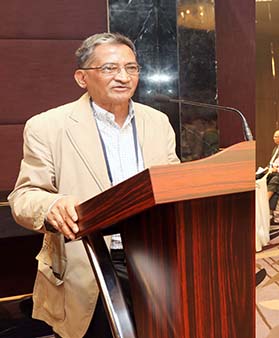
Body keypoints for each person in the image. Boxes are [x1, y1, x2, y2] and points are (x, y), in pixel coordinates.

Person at [8, 33, 180, 338]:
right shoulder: (48, 126)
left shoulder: (158, 122)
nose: (124, 77)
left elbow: (175, 184)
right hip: (89, 263)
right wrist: (50, 205)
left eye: (132, 68)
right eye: (110, 69)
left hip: (155, 261)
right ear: (81, 78)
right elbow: (23, 197)